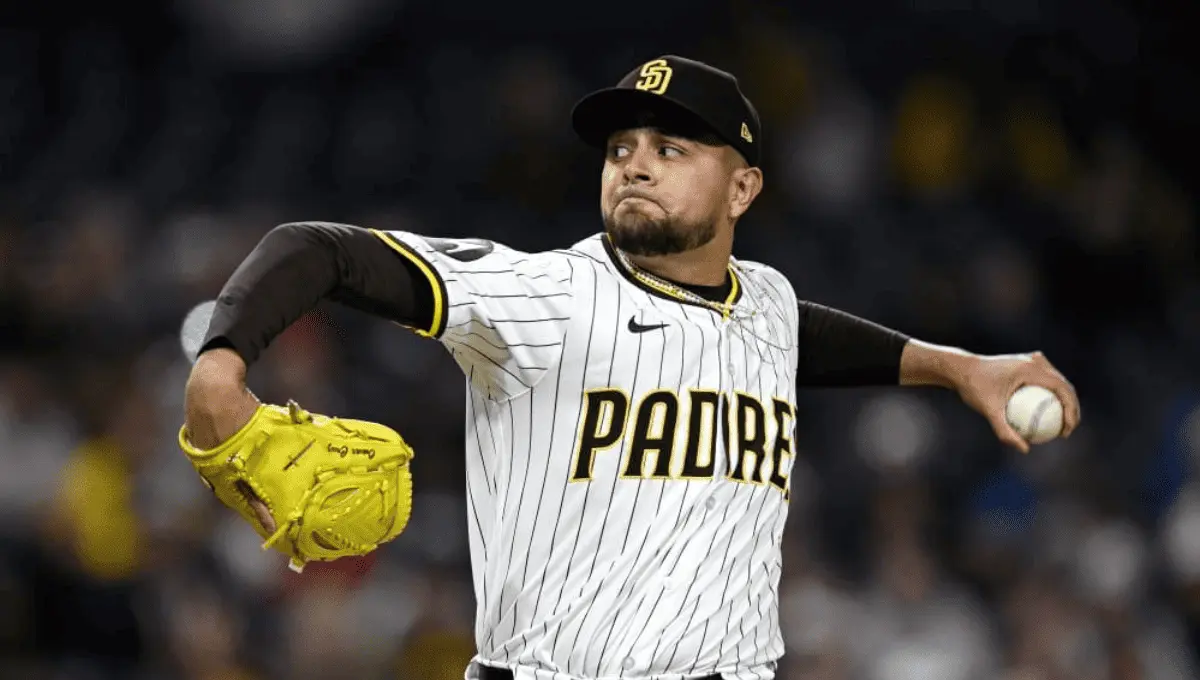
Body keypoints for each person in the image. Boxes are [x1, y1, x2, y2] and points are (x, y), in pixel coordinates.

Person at [181, 55, 1080, 680]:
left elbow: (800, 336)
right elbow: (317, 249)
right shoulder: (543, 296)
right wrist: (221, 367)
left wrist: (960, 369)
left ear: (743, 188)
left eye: (670, 149)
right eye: (621, 150)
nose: (635, 165)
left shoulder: (764, 300)